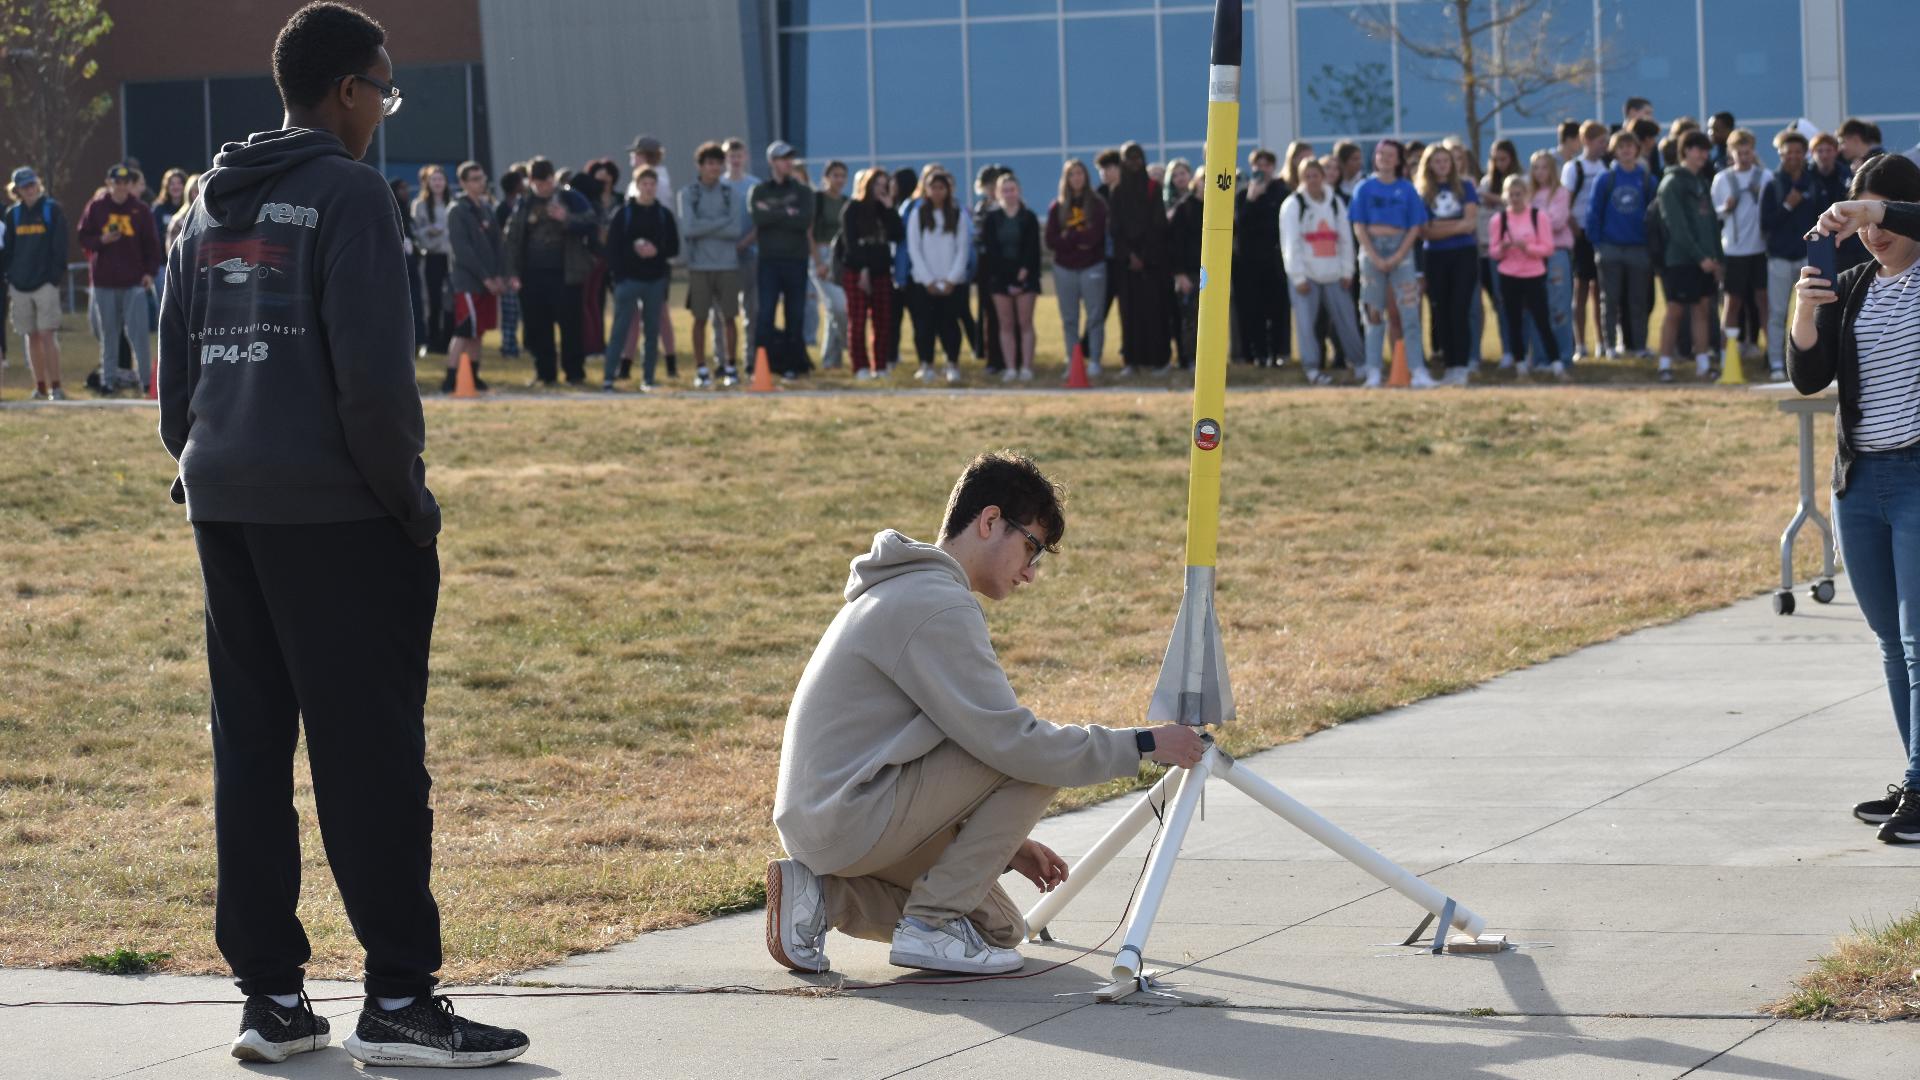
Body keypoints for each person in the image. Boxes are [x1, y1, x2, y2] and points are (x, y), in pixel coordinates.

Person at [156, 4, 530, 1067]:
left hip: (225, 506)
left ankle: (270, 1000)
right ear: (346, 92)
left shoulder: (205, 202)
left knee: (254, 752)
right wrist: (410, 507)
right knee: (371, 759)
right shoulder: (352, 194)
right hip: (336, 514)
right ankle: (402, 998)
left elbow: (173, 381)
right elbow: (374, 388)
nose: (386, 109)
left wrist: (207, 461)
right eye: (386, 89)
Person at [766, 451, 1208, 977]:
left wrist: (1004, 843)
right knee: (1043, 756)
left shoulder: (907, 589)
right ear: (990, 521)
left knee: (999, 930)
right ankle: (929, 924)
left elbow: (935, 741)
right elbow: (1014, 744)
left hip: (838, 820)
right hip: (847, 817)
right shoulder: (935, 603)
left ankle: (820, 896)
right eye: (1032, 548)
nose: (1031, 573)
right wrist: (1145, 744)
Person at [1790, 157, 1920, 844]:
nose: (1873, 231)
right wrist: (1805, 313)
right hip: (1861, 483)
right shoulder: (1854, 286)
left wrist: (1870, 208)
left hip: (1918, 476)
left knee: (1919, 640)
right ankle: (1916, 777)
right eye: (1861, 216)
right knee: (1891, 645)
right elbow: (1809, 377)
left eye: (1885, 214)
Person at [501, 157, 596, 387]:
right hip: (532, 275)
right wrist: (512, 273)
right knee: (537, 326)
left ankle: (574, 373)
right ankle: (545, 373)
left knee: (570, 326)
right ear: (531, 181)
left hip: (566, 273)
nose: (543, 187)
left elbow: (592, 222)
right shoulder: (524, 203)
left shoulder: (570, 197)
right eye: (538, 183)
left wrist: (567, 218)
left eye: (547, 182)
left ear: (553, 178)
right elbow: (511, 239)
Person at [1350, 139, 1430, 389]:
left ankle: (1417, 370)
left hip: (1401, 251)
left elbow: (1415, 226)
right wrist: (1374, 256)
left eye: (1390, 154)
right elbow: (1358, 225)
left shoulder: (1407, 189)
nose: (1384, 158)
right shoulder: (1363, 188)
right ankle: (1373, 371)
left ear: (1398, 160)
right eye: (1380, 154)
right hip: (1372, 250)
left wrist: (1397, 256)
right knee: (1373, 313)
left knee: (1409, 311)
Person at [77, 163, 163, 394]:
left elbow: (152, 246)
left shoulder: (140, 209)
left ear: (130, 185)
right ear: (109, 183)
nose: (121, 187)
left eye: (125, 183)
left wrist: (149, 273)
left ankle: (146, 382)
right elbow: (83, 236)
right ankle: (108, 381)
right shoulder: (97, 207)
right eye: (117, 182)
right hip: (104, 282)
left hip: (133, 282)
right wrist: (101, 240)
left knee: (139, 336)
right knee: (109, 335)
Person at [1280, 157, 1360, 386]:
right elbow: (1290, 243)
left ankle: (1360, 363)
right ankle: (1312, 368)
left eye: (1316, 175)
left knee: (1347, 319)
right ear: (1301, 178)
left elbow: (1345, 239)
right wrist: (1297, 276)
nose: (1313, 180)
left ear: (1323, 177)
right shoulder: (1294, 204)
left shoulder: (1335, 202)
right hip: (1307, 276)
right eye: (1308, 176)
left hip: (1334, 273)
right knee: (1306, 324)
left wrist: (1347, 271)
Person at [602, 166, 679, 392]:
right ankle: (609, 376)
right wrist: (632, 250)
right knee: (621, 328)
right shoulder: (624, 213)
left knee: (652, 330)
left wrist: (657, 251)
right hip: (628, 280)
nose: (648, 188)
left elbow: (673, 247)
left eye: (652, 184)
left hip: (655, 279)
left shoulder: (663, 215)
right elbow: (613, 248)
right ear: (636, 186)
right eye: (644, 184)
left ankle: (648, 377)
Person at [1656, 130, 1724, 382]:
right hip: (1680, 260)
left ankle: (1703, 365)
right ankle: (1664, 365)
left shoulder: (1703, 182)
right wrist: (1699, 257)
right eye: (1697, 149)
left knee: (1703, 309)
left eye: (1706, 150)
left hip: (1706, 261)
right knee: (1675, 311)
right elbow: (1677, 227)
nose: (1703, 155)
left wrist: (1717, 258)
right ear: (1684, 151)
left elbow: (1711, 225)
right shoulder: (1671, 184)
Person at [680, 143, 748, 388]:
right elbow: (688, 229)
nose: (714, 168)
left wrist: (705, 225)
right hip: (699, 266)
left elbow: (735, 230)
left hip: (727, 264)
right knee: (700, 318)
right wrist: (719, 222)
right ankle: (701, 369)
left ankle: (730, 366)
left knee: (729, 317)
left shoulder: (731, 194)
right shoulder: (689, 194)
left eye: (718, 163)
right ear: (700, 166)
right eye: (709, 163)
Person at [1586, 130, 1656, 359]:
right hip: (1610, 248)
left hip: (1638, 248)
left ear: (1637, 150)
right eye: (1621, 147)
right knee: (1610, 299)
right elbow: (1593, 213)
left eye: (1630, 146)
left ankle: (1638, 346)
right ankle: (1609, 346)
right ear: (1614, 151)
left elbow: (1655, 215)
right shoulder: (1605, 179)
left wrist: (1650, 244)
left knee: (1638, 300)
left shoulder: (1646, 179)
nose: (1626, 151)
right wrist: (1598, 244)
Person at [750, 141, 815, 379]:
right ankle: (760, 365)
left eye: (790, 158)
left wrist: (773, 211)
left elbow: (803, 220)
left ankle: (793, 365)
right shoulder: (760, 191)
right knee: (765, 313)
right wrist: (786, 212)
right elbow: (759, 218)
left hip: (796, 261)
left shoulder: (803, 192)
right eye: (782, 158)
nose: (788, 163)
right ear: (772, 162)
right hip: (769, 262)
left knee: (794, 315)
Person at [1488, 176, 1564, 378]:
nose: (1515, 199)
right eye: (1511, 195)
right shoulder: (1499, 220)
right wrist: (1503, 248)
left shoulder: (1539, 217)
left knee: (1542, 320)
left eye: (1519, 194)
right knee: (1513, 321)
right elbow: (1493, 252)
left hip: (1534, 275)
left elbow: (1548, 248)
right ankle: (1520, 364)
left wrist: (1527, 248)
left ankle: (1556, 363)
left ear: (1527, 195)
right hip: (1509, 275)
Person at [1710, 128, 1772, 376]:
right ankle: (1728, 357)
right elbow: (1715, 214)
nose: (1744, 157)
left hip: (1759, 249)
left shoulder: (1765, 176)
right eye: (1739, 153)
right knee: (1732, 303)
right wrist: (1726, 208)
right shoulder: (1723, 179)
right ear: (1731, 153)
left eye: (1748, 152)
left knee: (1764, 302)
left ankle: (1773, 355)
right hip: (1734, 250)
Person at [1761, 129, 1821, 382]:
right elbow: (1766, 223)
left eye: (1798, 152)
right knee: (1777, 314)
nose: (1794, 157)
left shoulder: (1813, 183)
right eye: (1789, 152)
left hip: (1807, 259)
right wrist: (1787, 205)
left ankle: (1810, 363)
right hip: (1779, 259)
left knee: (1813, 313)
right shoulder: (1773, 184)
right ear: (1781, 154)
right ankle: (1776, 362)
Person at [3, 167, 68, 400]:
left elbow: (60, 248)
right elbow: (8, 250)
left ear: (37, 184)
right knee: (30, 336)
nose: (29, 190)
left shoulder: (52, 210)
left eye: (32, 185)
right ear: (17, 190)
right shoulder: (13, 215)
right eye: (24, 187)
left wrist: (53, 278)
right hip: (20, 285)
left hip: (45, 284)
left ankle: (56, 387)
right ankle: (40, 387)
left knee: (48, 334)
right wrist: (11, 277)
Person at [1418, 143, 1478, 385]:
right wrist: (1456, 226)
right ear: (1429, 165)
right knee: (1441, 310)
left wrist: (1440, 227)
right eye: (1437, 161)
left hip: (1464, 254)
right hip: (1435, 257)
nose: (1442, 165)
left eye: (1446, 161)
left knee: (1460, 309)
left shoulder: (1466, 187)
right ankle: (1449, 363)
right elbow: (1425, 231)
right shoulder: (1422, 192)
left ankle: (1461, 365)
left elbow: (1470, 223)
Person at [835, 167, 902, 379]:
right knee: (858, 320)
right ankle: (860, 366)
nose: (880, 190)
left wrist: (890, 209)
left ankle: (880, 366)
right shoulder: (852, 208)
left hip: (881, 271)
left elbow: (898, 235)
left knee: (883, 321)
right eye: (877, 185)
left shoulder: (886, 210)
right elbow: (851, 243)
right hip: (857, 271)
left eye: (884, 186)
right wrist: (862, 269)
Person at [1111, 142, 1172, 375]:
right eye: (1129, 158)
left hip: (1153, 262)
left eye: (1137, 158)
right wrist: (1130, 255)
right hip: (1127, 264)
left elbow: (1158, 225)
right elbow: (1115, 228)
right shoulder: (1117, 191)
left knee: (1155, 311)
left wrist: (1144, 256)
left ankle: (1159, 360)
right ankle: (1132, 361)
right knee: (1130, 313)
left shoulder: (1152, 188)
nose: (1134, 163)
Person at [1045, 159, 1108, 378]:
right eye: (1072, 174)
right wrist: (1075, 239)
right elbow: (1051, 240)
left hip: (1092, 266)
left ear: (1086, 176)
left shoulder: (1097, 204)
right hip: (1065, 268)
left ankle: (1095, 361)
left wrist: (1069, 237)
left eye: (1080, 173)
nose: (1076, 178)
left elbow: (1094, 237)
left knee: (1095, 316)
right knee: (1069, 319)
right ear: (1066, 178)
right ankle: (1073, 361)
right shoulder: (1057, 206)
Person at [905, 169, 969, 380]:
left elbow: (962, 249)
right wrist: (928, 280)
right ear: (926, 189)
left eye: (941, 187)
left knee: (950, 325)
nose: (937, 192)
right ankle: (926, 364)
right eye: (933, 187)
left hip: (951, 281)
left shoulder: (956, 213)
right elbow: (914, 248)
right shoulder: (918, 214)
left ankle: (952, 363)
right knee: (924, 325)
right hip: (924, 282)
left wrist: (951, 279)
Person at [443, 160, 501, 393]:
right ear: (464, 183)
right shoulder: (457, 210)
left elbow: (498, 243)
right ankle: (450, 377)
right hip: (468, 281)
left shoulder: (487, 208)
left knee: (479, 331)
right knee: (464, 331)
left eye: (482, 178)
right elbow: (463, 250)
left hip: (487, 281)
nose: (481, 183)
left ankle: (474, 375)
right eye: (475, 179)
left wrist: (498, 275)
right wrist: (485, 277)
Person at [977, 171, 1040, 383]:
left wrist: (1021, 276)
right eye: (1005, 190)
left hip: (1026, 278)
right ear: (997, 193)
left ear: (1019, 191)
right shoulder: (992, 219)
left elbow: (1032, 251)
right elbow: (991, 251)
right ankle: (1010, 367)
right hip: (1000, 279)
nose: (1009, 193)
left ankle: (1027, 367)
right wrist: (1006, 278)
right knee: (1006, 324)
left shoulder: (1028, 217)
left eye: (1012, 189)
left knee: (1025, 322)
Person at [1234, 148, 1289, 368]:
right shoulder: (1243, 194)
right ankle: (1258, 354)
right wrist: (1251, 199)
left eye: (1267, 164)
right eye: (1258, 165)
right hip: (1248, 264)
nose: (1262, 169)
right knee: (1252, 311)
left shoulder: (1281, 192)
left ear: (1273, 168)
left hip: (1274, 261)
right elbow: (1239, 225)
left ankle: (1277, 353)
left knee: (1276, 311)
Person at [1563, 120, 1610, 361]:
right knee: (1581, 289)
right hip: (1580, 234)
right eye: (1601, 141)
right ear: (1588, 141)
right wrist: (1575, 230)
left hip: (1599, 234)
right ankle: (1580, 342)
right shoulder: (1574, 168)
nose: (1605, 146)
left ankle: (1602, 340)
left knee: (1599, 291)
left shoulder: (1605, 166)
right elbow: (1566, 202)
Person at [1525, 149, 1574, 373]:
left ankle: (1564, 355)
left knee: (1559, 306)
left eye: (1545, 167)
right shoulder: (1528, 195)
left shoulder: (1561, 193)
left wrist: (1532, 224)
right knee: (1536, 306)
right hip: (1533, 255)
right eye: (1536, 167)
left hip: (1556, 253)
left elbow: (1557, 221)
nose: (1540, 172)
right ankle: (1541, 357)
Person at [1474, 140, 1521, 370]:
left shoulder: (1519, 181)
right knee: (1490, 304)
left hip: (1512, 253)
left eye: (1503, 158)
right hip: (1486, 250)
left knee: (1507, 304)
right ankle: (1502, 351)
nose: (1499, 163)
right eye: (1495, 159)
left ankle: (1514, 350)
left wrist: (1495, 199)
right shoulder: (1486, 182)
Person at [810, 160, 850, 371]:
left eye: (843, 175)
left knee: (832, 308)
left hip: (839, 258)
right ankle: (852, 345)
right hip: (821, 255)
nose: (839, 180)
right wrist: (817, 262)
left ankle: (831, 361)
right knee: (838, 307)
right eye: (835, 175)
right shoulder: (818, 199)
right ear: (826, 177)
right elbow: (809, 232)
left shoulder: (846, 201)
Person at [412, 165, 454, 358]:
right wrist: (430, 232)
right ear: (427, 183)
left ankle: (450, 339)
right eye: (434, 180)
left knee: (451, 299)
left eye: (440, 179)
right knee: (433, 298)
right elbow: (417, 233)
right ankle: (433, 340)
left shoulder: (452, 204)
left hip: (452, 258)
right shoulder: (420, 205)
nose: (438, 183)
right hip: (432, 256)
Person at [1167, 165, 1205, 370]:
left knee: (1210, 318)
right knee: (1190, 319)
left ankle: (1209, 359)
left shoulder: (1217, 208)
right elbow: (1175, 244)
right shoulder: (1185, 208)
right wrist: (1179, 274)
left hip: (1211, 271)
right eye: (1203, 179)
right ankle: (1189, 359)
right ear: (1196, 182)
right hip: (1189, 272)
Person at [492, 166, 524, 359]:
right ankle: (508, 346)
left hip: (521, 264)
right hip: (507, 265)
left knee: (520, 310)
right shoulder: (503, 209)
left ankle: (520, 344)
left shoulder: (523, 204)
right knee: (510, 310)